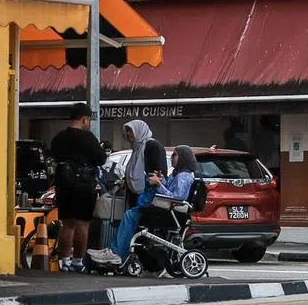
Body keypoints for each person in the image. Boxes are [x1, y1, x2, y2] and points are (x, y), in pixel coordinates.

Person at [88, 145, 197, 267]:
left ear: (183, 158)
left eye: (174, 154)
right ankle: (115, 249)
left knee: (130, 215)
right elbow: (170, 190)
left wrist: (159, 184)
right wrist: (161, 181)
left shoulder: (183, 176)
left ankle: (116, 251)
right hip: (166, 210)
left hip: (170, 213)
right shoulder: (177, 174)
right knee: (132, 214)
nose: (172, 157)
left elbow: (176, 197)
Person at [49, 104, 108, 271]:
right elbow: (101, 159)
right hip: (84, 185)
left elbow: (54, 156)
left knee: (67, 223)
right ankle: (78, 261)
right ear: (84, 119)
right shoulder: (88, 138)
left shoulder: (59, 137)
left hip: (64, 184)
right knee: (82, 223)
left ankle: (65, 261)